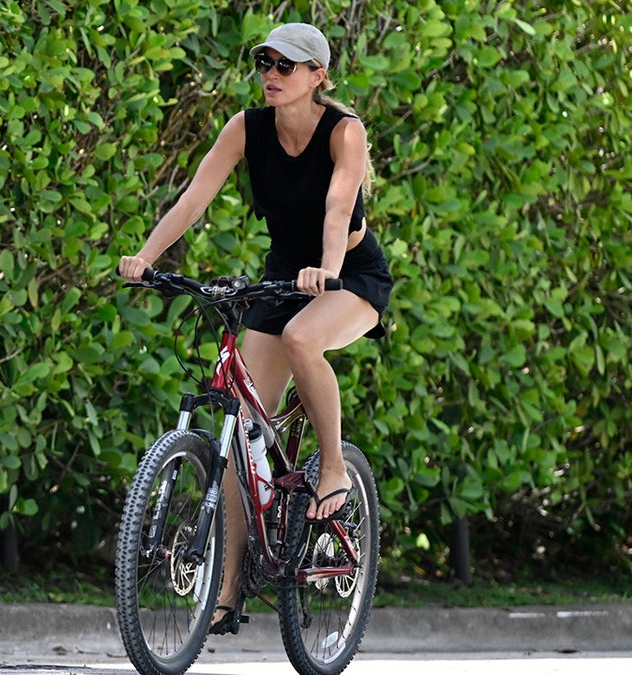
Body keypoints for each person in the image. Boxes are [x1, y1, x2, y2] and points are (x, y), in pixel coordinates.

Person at [117, 22, 392, 635]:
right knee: (243, 438)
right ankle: (229, 588)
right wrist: (147, 257)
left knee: (302, 340)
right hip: (281, 279)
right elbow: (194, 199)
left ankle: (333, 470)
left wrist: (327, 268)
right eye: (265, 61)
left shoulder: (344, 131)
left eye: (286, 66)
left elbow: (338, 205)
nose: (271, 73)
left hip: (347, 276)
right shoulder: (245, 128)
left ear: (318, 76)